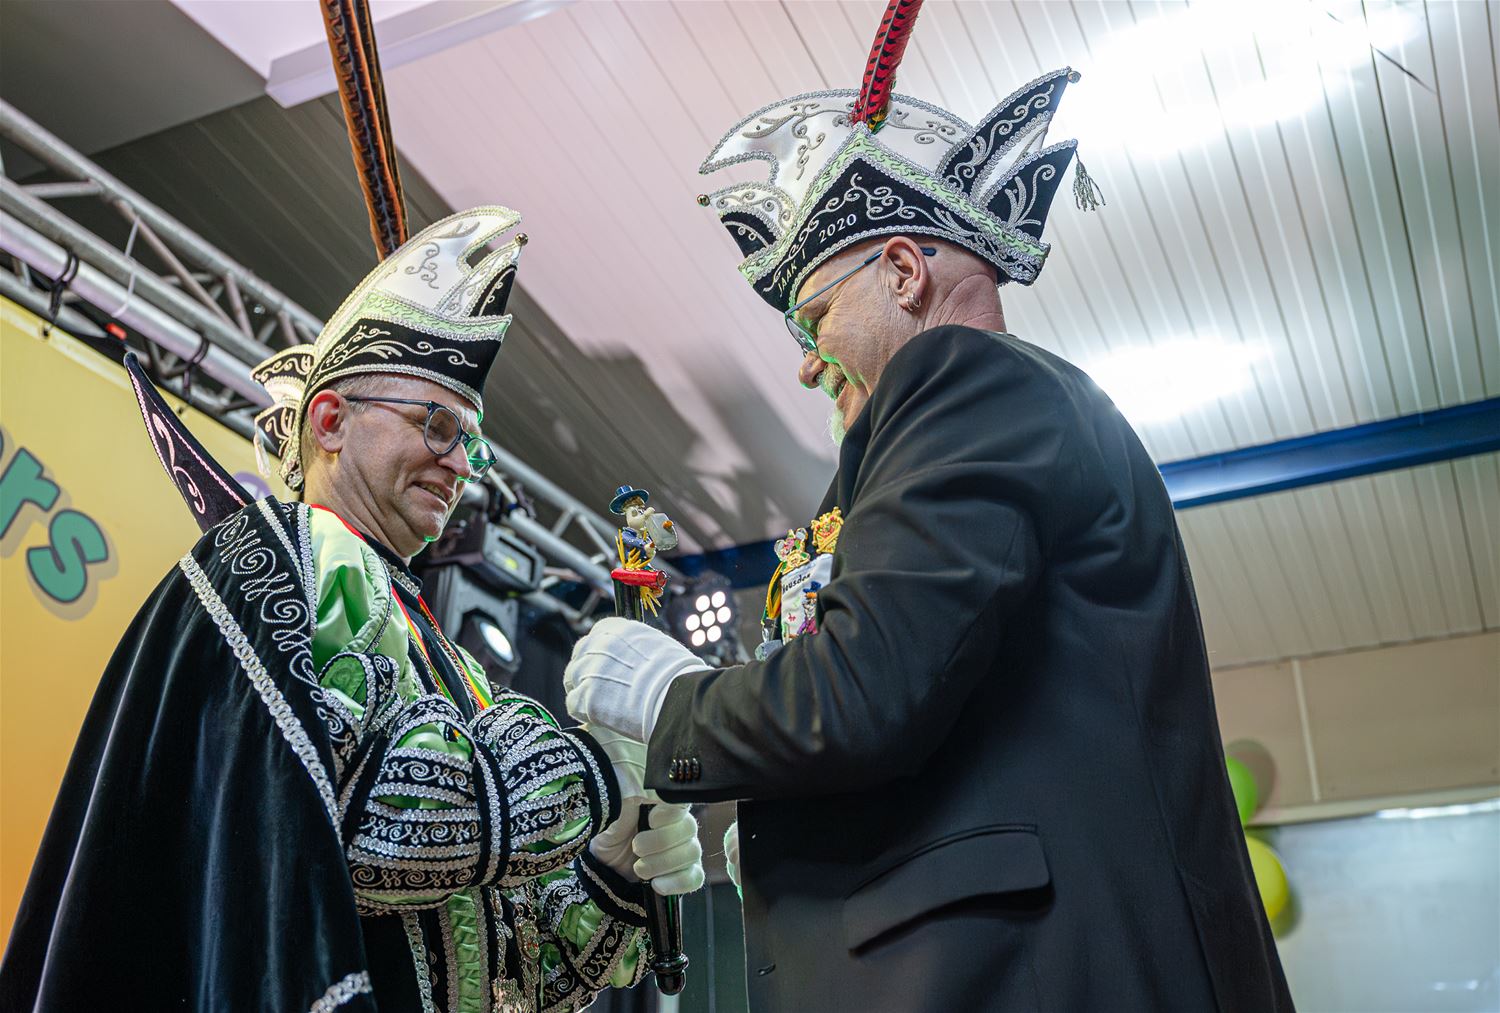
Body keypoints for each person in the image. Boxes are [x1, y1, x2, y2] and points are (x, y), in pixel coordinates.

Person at [563, 3, 1293, 1010]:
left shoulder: (960, 376)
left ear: (903, 272)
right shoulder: (969, 423)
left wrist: (671, 702)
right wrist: (784, 833)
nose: (807, 362)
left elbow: (862, 690)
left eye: (814, 316)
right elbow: (924, 701)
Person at [0, 207, 703, 1013]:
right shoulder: (281, 555)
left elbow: (514, 977)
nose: (460, 464)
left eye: (471, 442)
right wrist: (591, 770)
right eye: (437, 424)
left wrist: (610, 867)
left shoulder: (445, 655)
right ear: (330, 421)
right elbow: (366, 824)